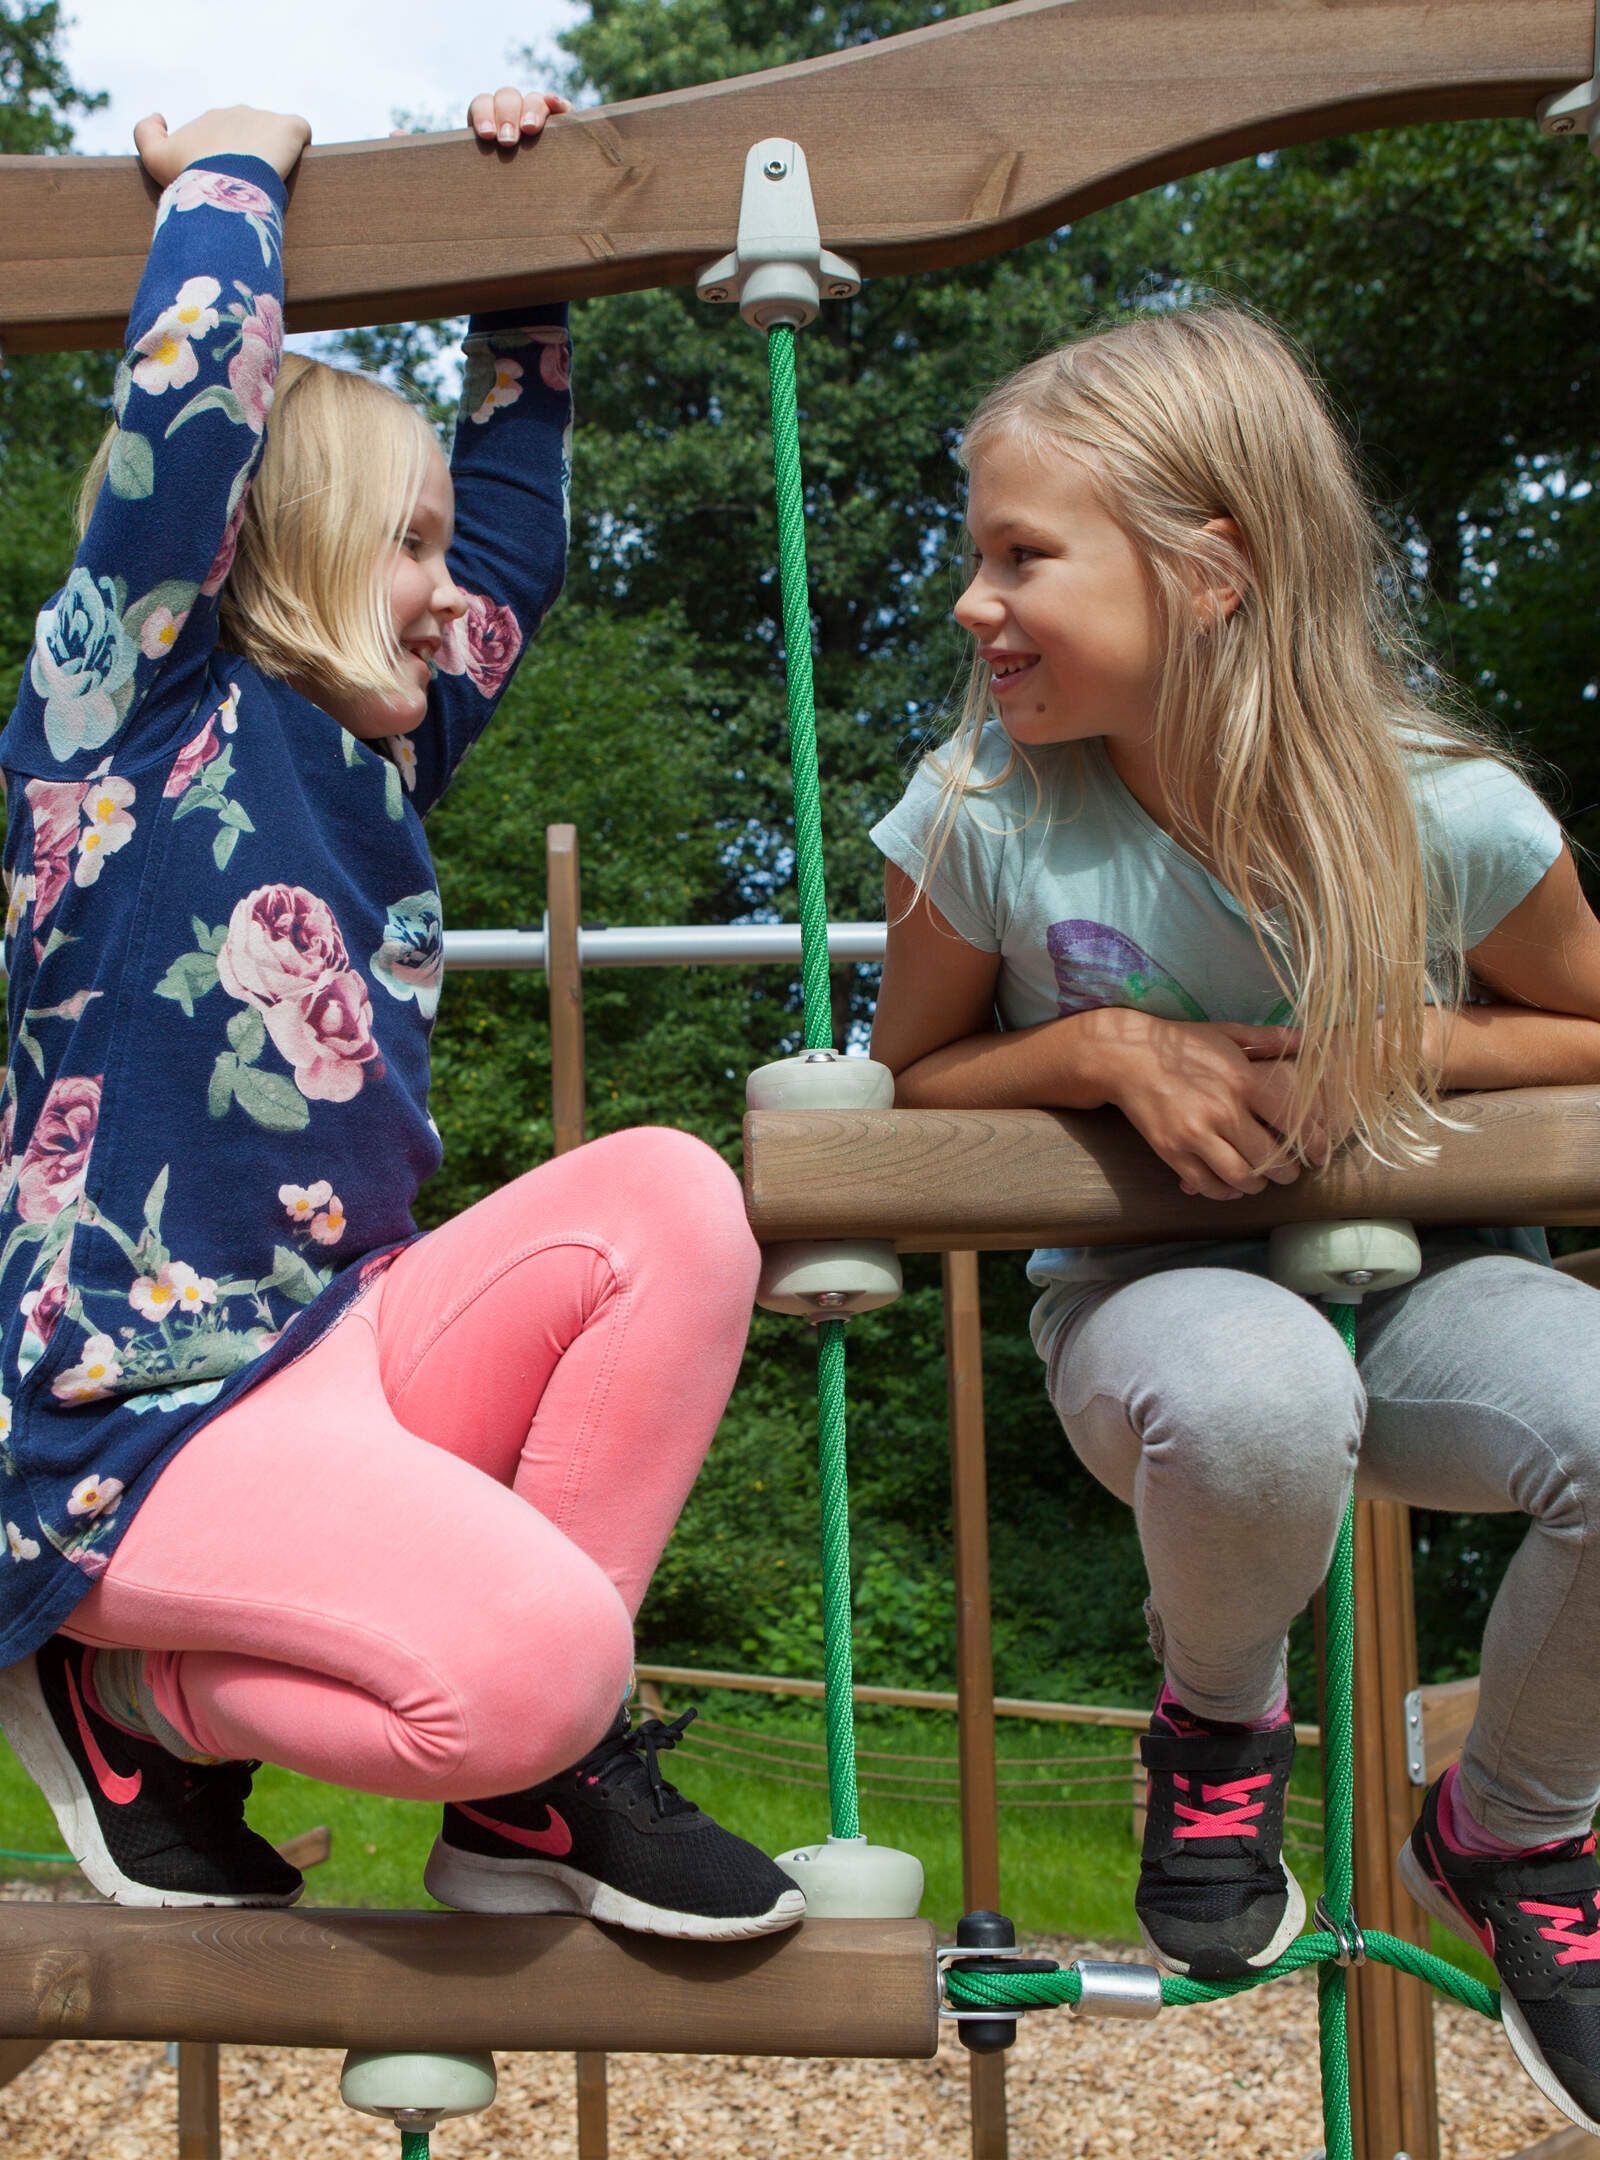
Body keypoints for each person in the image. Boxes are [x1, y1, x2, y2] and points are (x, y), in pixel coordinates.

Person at [0, 90, 804, 1945]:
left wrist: (524, 255)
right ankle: (120, 1692)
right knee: (543, 1656)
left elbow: (517, 537)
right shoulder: (121, 714)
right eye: (407, 545)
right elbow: (188, 428)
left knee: (674, 1197)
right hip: (125, 1403)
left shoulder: (384, 755)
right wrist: (232, 170)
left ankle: (531, 1786)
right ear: (280, 542)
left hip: (336, 1342)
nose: (451, 596)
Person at [868, 310, 1600, 2130]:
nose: (977, 602)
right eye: (982, 551)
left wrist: (1418, 1032)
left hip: (1436, 1288)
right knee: (1264, 1395)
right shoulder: (992, 816)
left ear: (1211, 572)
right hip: (1149, 1292)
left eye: (1023, 554)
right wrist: (1104, 1045)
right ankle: (1217, 1725)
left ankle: (1512, 1829)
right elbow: (906, 1086)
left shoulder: (1446, 816)